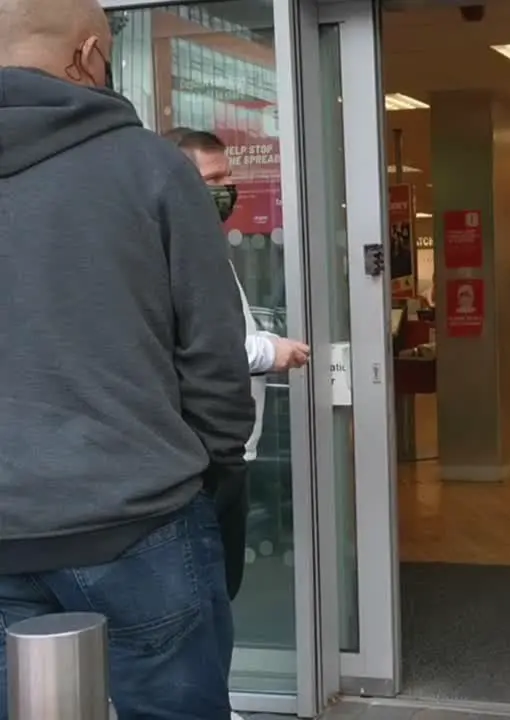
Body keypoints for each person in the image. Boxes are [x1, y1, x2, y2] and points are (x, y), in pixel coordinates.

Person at [0, 0, 254, 717]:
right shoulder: (150, 166)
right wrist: (214, 471)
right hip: (141, 519)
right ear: (86, 56)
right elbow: (212, 353)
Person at [165, 127, 310, 720]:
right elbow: (196, 347)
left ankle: (214, 703)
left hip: (231, 455)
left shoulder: (210, 251)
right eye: (214, 181)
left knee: (220, 596)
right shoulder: (169, 252)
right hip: (200, 459)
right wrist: (268, 352)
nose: (229, 191)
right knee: (199, 603)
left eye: (230, 178)